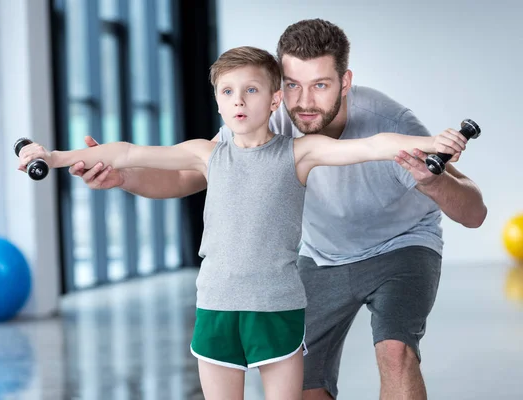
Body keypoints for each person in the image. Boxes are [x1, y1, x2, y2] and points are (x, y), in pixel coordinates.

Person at [69, 19, 487, 400]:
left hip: (400, 248)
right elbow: (187, 177)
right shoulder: (265, 120)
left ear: (346, 81)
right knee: (306, 387)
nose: (303, 102)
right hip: (321, 257)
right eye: (291, 85)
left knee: (395, 353)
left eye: (320, 85)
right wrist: (124, 178)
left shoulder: (389, 121)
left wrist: (434, 179)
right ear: (276, 87)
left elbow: (474, 213)